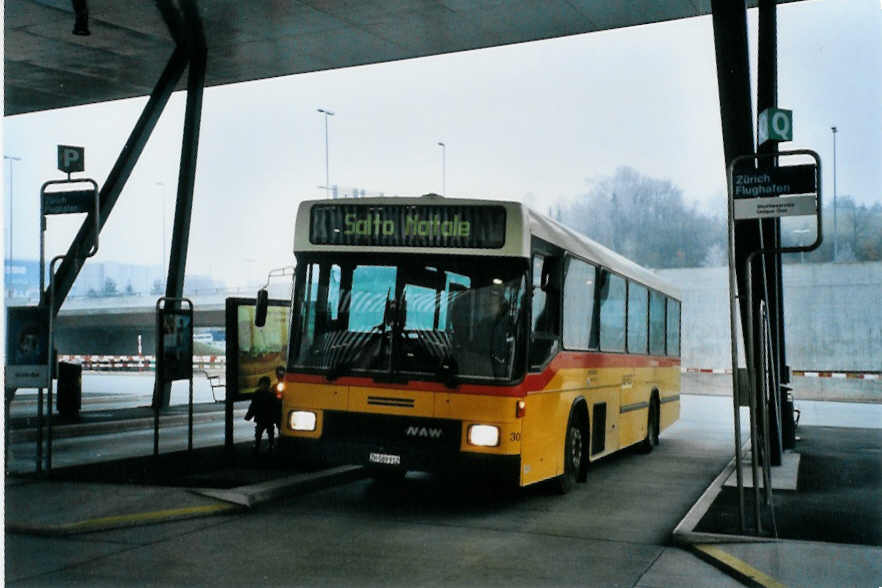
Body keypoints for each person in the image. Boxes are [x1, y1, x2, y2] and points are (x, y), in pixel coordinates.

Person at [245, 376, 276, 455]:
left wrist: (248, 416)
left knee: (260, 432)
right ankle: (270, 445)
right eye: (263, 384)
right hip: (268, 418)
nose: (264, 386)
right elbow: (275, 406)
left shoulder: (257, 394)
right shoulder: (271, 394)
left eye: (265, 384)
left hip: (262, 418)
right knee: (269, 432)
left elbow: (253, 406)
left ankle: (257, 446)